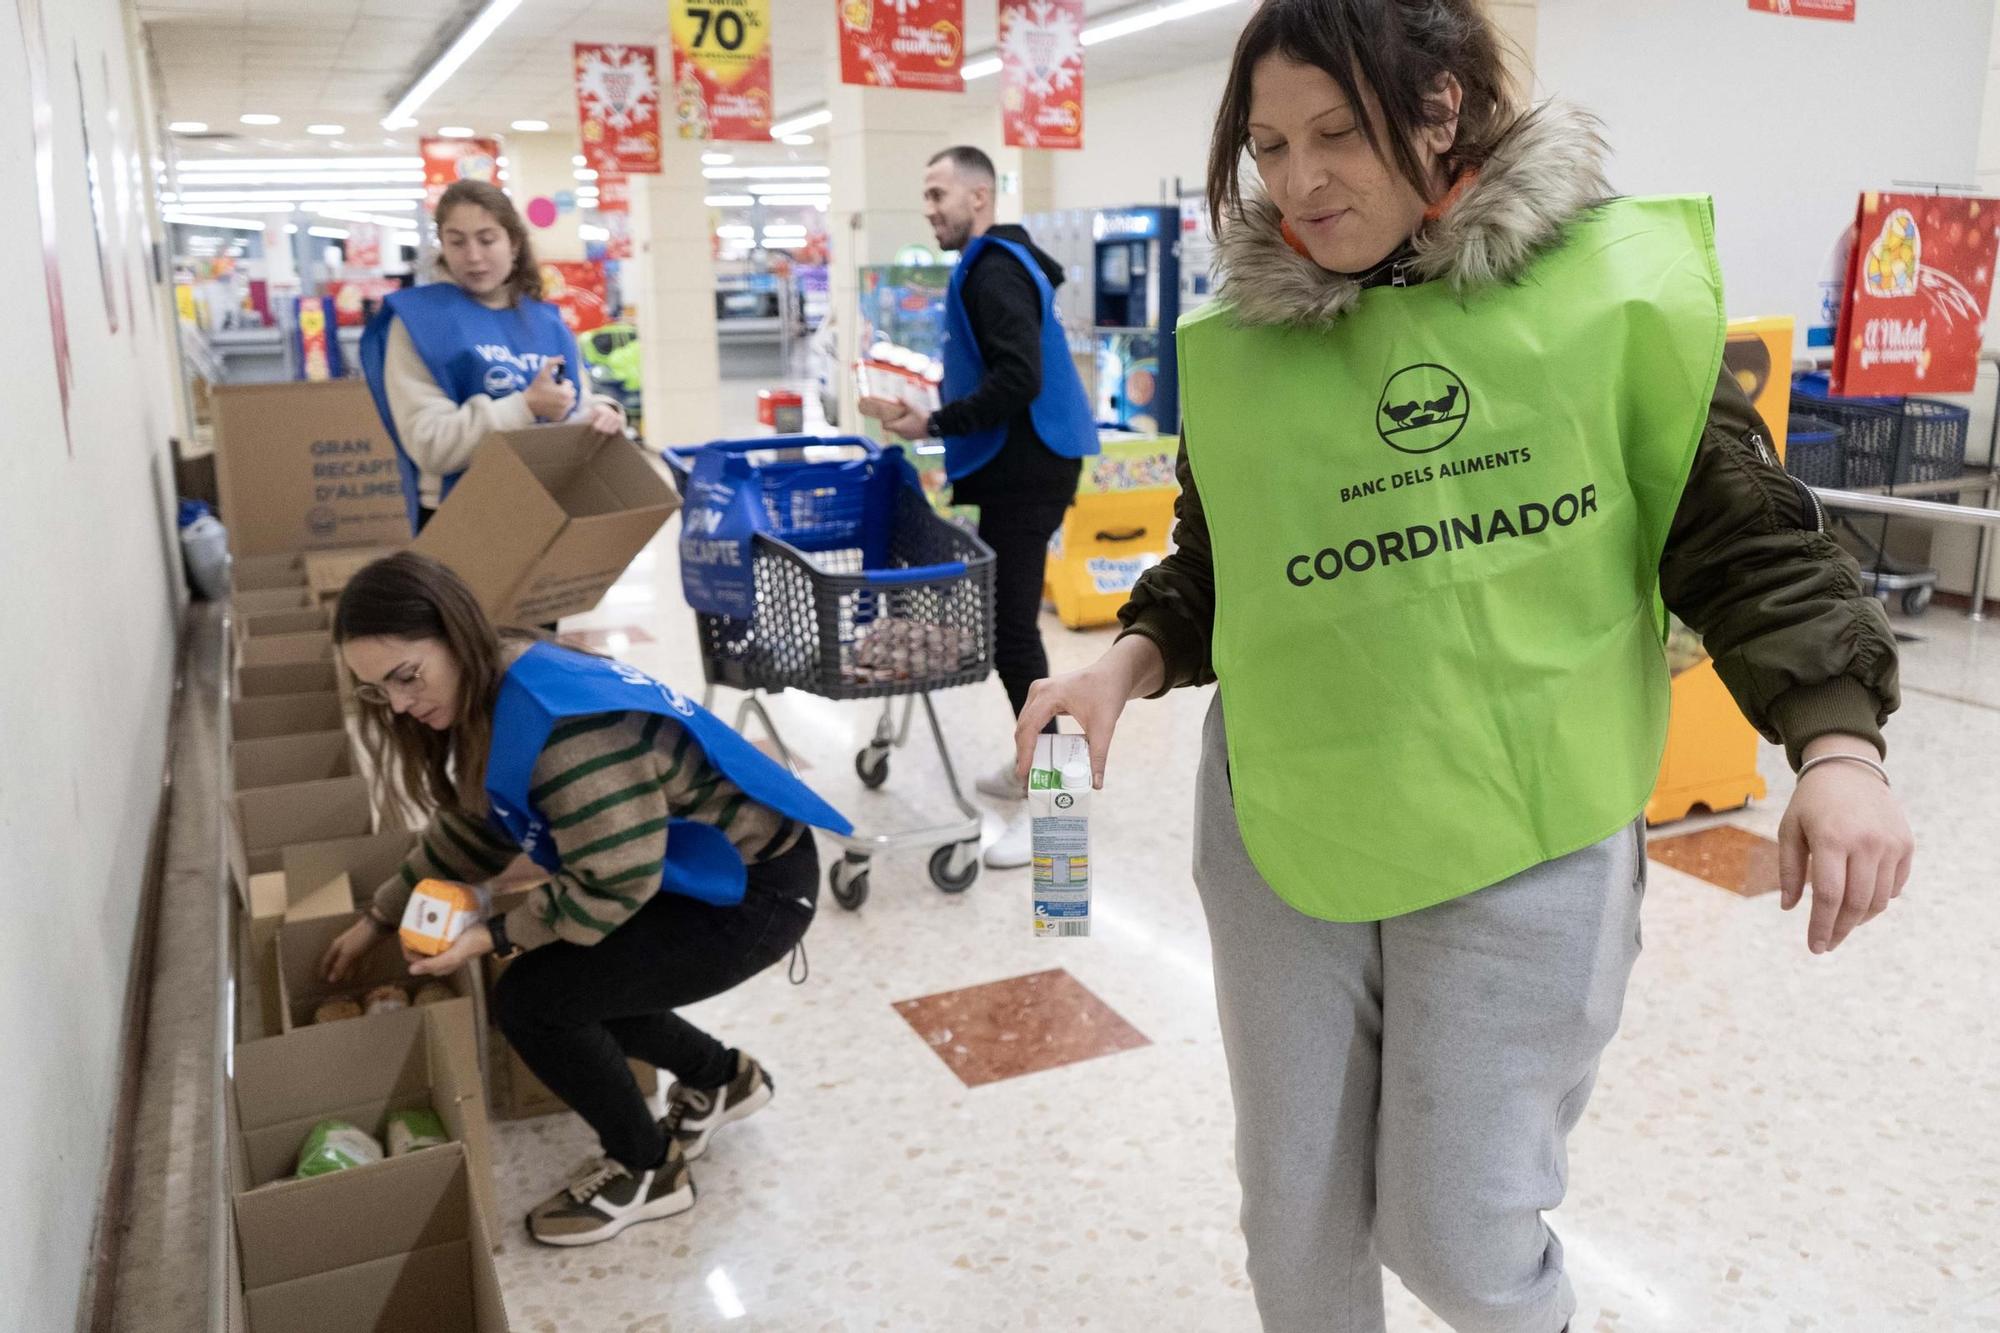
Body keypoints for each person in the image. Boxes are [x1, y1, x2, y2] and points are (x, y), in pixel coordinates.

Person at [1014, 2, 1915, 1329]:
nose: (1299, 181)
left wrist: (1836, 746)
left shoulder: (1601, 302)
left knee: (1458, 1229)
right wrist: (1127, 659)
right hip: (1288, 819)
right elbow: (1228, 560)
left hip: (1523, 816)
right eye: (1266, 145)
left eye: (1337, 134)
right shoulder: (1255, 348)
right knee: (1294, 1215)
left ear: (1443, 110)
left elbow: (1743, 536)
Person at [318, 552, 852, 1247]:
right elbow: (479, 824)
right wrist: (380, 916)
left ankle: (648, 1169)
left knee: (537, 1001)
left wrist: (495, 932)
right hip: (693, 869)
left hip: (755, 891)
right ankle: (723, 1079)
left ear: (454, 634)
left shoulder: (559, 730)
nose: (397, 705)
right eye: (376, 690)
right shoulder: (502, 676)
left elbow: (613, 883)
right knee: (581, 977)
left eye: (405, 677)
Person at [859, 145, 1099, 870]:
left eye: (940, 194)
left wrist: (934, 424)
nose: (931, 208)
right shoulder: (998, 262)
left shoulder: (993, 268)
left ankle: (1060, 810)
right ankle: (1035, 768)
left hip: (1027, 468)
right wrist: (928, 416)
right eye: (926, 195)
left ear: (981, 198)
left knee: (1013, 635)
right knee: (1008, 630)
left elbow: (1019, 377)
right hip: (1024, 466)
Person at [360, 180, 626, 534]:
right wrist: (526, 407)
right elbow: (431, 445)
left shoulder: (547, 323)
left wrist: (602, 413)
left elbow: (576, 401)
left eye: (487, 240)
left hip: (547, 505)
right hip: (459, 515)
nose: (473, 256)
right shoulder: (419, 322)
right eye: (457, 242)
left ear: (513, 242)